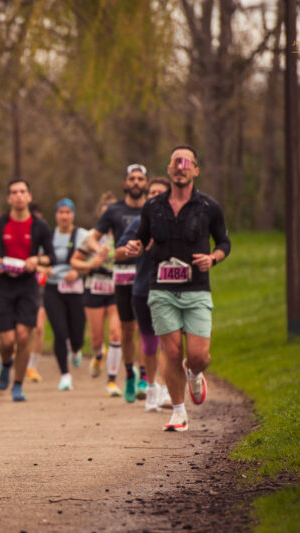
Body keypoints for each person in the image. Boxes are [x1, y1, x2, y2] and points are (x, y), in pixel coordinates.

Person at [124, 145, 231, 432]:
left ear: (195, 170)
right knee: (171, 353)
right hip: (161, 290)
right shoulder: (153, 207)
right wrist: (134, 245)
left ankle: (195, 372)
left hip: (196, 290)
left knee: (197, 355)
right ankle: (178, 412)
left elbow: (224, 243)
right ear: (169, 170)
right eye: (176, 162)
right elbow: (140, 238)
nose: (181, 167)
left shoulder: (209, 207)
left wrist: (212, 258)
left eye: (187, 163)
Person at [0, 179, 57, 402]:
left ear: (29, 196)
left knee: (23, 337)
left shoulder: (40, 226)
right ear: (9, 198)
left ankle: (18, 385)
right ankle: (6, 363)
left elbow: (51, 257)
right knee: (7, 341)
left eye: (22, 192)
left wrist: (37, 259)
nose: (18, 196)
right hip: (4, 286)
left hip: (28, 286)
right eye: (14, 192)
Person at [86, 164, 149, 402]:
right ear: (124, 183)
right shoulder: (113, 211)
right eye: (131, 178)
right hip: (122, 276)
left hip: (146, 273)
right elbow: (92, 238)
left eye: (140, 179)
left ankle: (145, 376)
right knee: (128, 328)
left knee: (147, 328)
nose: (135, 182)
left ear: (146, 183)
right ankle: (130, 373)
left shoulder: (153, 209)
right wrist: (100, 249)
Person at [116, 177, 173, 411]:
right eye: (152, 193)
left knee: (171, 344)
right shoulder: (140, 222)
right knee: (149, 344)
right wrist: (129, 249)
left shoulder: (179, 222)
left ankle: (168, 388)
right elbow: (118, 252)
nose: (155, 197)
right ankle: (151, 387)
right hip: (142, 289)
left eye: (160, 193)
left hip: (171, 289)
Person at [70, 204, 121, 396]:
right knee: (97, 338)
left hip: (116, 289)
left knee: (116, 334)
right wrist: (91, 264)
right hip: (94, 288)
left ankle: (112, 381)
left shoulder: (123, 232)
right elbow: (74, 261)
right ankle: (98, 355)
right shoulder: (91, 236)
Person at [43, 198, 87, 391]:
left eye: (68, 212)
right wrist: (44, 269)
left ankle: (76, 350)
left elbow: (94, 260)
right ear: (56, 215)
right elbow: (39, 260)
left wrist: (77, 272)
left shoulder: (82, 235)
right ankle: (65, 374)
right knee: (60, 332)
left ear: (73, 215)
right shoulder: (49, 236)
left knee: (77, 334)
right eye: (61, 212)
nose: (64, 216)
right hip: (53, 288)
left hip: (76, 288)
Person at [26, 202, 48, 383]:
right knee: (21, 331)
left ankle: (32, 366)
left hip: (41, 289)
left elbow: (54, 261)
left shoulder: (46, 238)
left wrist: (42, 267)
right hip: (21, 287)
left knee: (39, 328)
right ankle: (15, 361)